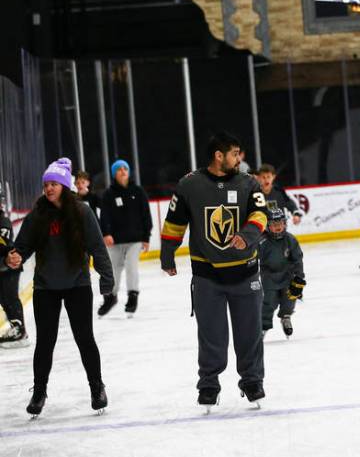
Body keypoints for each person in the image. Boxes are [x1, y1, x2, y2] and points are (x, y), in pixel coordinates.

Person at [160, 131, 269, 409]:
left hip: (246, 274)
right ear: (218, 156)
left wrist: (247, 234)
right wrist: (167, 255)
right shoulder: (189, 185)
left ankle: (252, 381)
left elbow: (260, 214)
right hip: (208, 278)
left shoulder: (248, 183)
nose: (239, 158)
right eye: (234, 153)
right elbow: (174, 223)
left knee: (250, 333)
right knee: (211, 335)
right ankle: (209, 384)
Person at [4, 158, 113, 417]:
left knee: (84, 339)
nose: (49, 188)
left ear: (65, 186)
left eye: (54, 183)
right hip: (45, 288)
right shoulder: (37, 215)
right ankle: (39, 392)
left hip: (77, 285)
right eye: (46, 184)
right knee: (45, 342)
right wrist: (14, 257)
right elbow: (22, 246)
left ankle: (97, 388)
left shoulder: (82, 212)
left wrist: (106, 279)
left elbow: (97, 247)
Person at [97, 159, 152, 317]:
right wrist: (106, 233)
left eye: (125, 168)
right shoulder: (108, 194)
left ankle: (132, 296)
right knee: (114, 269)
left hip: (135, 239)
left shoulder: (138, 191)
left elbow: (145, 215)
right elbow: (104, 216)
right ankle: (111, 297)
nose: (122, 171)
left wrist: (146, 237)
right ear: (114, 173)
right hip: (114, 240)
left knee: (131, 266)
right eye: (119, 169)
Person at [259, 208, 305, 337]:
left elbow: (298, 260)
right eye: (274, 224)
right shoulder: (262, 242)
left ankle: (286, 317)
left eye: (280, 223)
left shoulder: (290, 240)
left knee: (290, 298)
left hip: (287, 276)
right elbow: (253, 260)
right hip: (268, 277)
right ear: (268, 226)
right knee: (268, 302)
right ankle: (263, 325)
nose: (278, 227)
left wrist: (299, 278)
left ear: (285, 223)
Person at [0, 200, 28, 347]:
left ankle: (20, 331)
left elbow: (3, 247)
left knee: (10, 298)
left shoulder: (3, 222)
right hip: (3, 267)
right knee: (4, 299)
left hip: (10, 266)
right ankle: (16, 327)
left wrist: (6, 260)